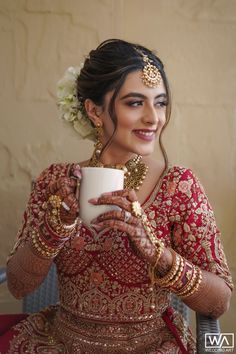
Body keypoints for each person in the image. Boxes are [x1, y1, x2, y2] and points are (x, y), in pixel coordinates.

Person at [0, 39, 233, 354]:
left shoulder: (179, 186)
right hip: (61, 342)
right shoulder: (56, 182)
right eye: (136, 103)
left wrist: (157, 253)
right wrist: (56, 224)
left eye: (160, 102)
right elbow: (18, 285)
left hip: (152, 345)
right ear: (94, 110)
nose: (154, 118)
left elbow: (219, 303)